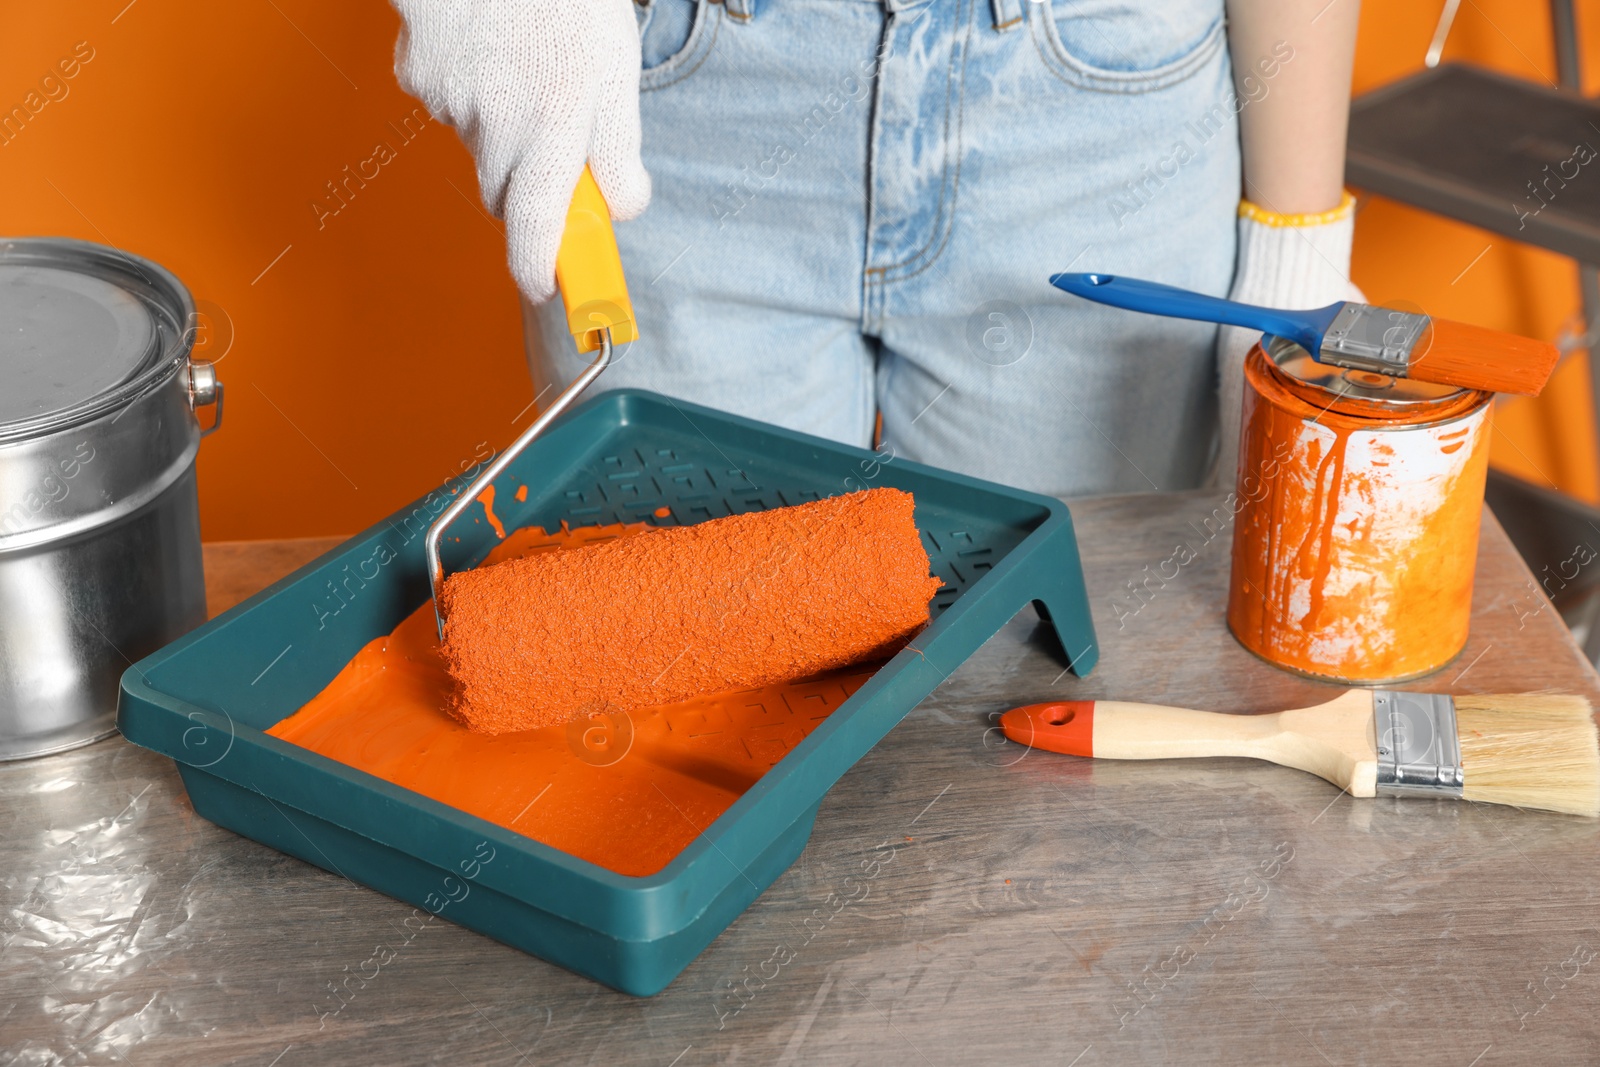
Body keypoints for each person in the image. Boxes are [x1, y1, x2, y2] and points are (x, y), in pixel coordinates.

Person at [391, 0, 1361, 495]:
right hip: (682, 107)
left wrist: (1295, 256)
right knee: (673, 695)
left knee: (1050, 701)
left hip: (1094, 109)